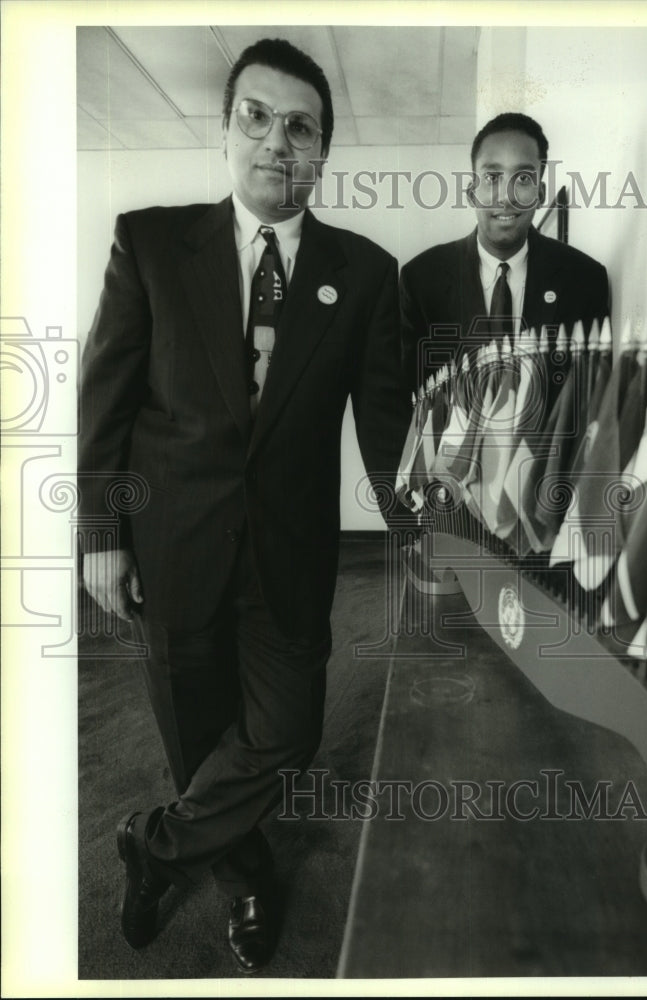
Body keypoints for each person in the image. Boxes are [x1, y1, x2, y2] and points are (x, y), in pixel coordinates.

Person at [78, 37, 409, 974]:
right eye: (256, 118)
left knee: (287, 730)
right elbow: (105, 404)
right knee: (195, 732)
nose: (277, 142)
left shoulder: (366, 273)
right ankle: (247, 876)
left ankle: (156, 841)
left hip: (292, 558)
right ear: (225, 131)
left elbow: (385, 429)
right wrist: (102, 533)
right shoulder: (148, 241)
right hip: (171, 548)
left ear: (322, 152)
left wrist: (422, 533)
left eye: (300, 126)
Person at [400, 112, 610, 394]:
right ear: (471, 192)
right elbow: (405, 401)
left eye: (523, 178)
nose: (506, 196)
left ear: (540, 193)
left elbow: (591, 397)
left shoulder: (584, 280)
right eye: (491, 177)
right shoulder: (421, 280)